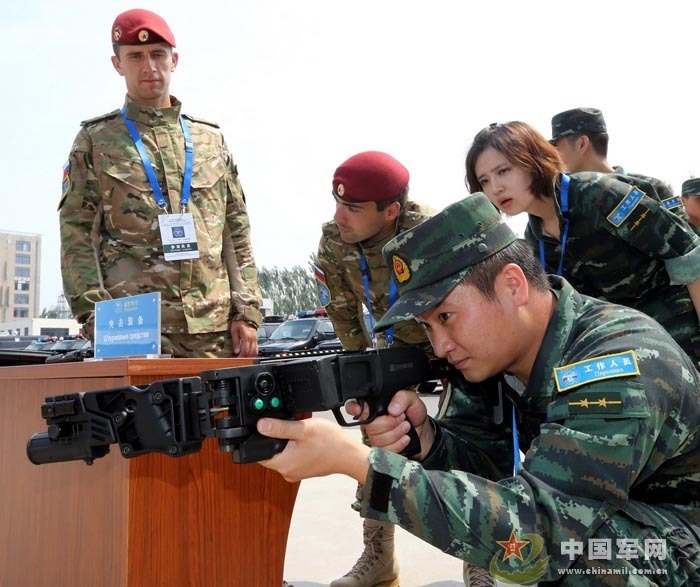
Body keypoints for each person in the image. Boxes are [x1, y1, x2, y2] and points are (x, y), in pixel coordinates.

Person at [255, 194, 700, 584]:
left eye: (445, 316)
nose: (440, 346)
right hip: (634, 522)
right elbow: (485, 472)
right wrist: (427, 441)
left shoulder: (614, 364)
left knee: (583, 556)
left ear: (512, 285)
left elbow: (536, 539)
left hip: (685, 544)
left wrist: (360, 465)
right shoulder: (493, 359)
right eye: (427, 327)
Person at [59, 9, 262, 358]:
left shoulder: (209, 140)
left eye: (158, 54)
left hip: (214, 330)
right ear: (117, 64)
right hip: (134, 329)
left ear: (175, 59)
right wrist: (94, 316)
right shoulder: (96, 140)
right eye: (135, 56)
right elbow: (78, 234)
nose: (149, 66)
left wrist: (247, 312)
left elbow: (235, 230)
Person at [317, 151, 451, 586]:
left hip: (452, 347)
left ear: (391, 211)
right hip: (390, 353)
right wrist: (365, 376)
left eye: (353, 208)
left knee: (469, 447)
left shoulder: (433, 231)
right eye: (337, 203)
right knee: (377, 454)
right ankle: (378, 559)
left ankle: (480, 568)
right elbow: (343, 312)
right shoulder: (334, 241)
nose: (339, 216)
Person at [465, 121, 700, 362]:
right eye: (484, 181)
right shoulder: (535, 237)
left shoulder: (597, 194)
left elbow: (689, 255)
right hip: (624, 348)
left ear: (533, 160)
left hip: (679, 338)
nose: (496, 188)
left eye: (503, 171)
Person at [549, 107, 692, 226]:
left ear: (581, 144)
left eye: (557, 146)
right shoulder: (562, 200)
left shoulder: (653, 188)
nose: (554, 154)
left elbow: (688, 244)